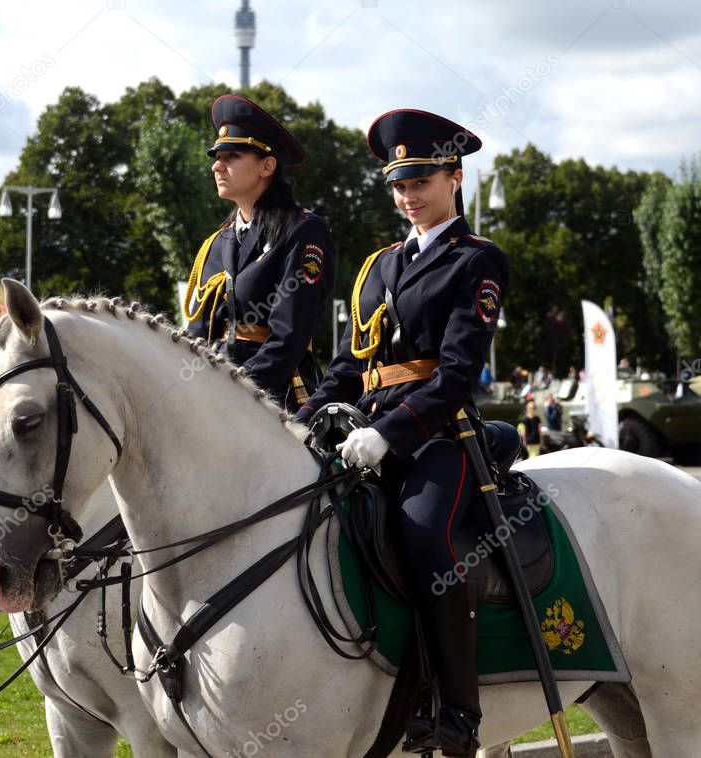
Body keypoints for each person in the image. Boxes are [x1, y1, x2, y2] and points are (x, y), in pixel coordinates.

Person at [296, 109, 509, 756]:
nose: (407, 196)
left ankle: (456, 712)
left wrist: (390, 433)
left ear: (454, 176)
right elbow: (344, 365)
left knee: (423, 536)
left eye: (419, 180)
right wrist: (300, 420)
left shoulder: (477, 261)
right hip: (360, 430)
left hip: (435, 436)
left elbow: (455, 375)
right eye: (397, 185)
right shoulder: (379, 265)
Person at [183, 94, 335, 413]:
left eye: (232, 156)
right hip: (212, 397)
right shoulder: (215, 242)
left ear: (267, 165)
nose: (216, 165)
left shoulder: (302, 231)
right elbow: (195, 334)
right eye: (216, 156)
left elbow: (288, 339)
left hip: (277, 402)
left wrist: (231, 392)